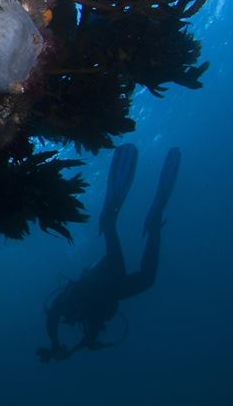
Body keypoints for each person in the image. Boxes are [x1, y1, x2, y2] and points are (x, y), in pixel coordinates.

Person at [37, 144, 181, 363]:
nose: (74, 317)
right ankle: (153, 227)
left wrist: (55, 344)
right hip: (115, 289)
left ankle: (108, 222)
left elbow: (51, 320)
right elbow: (91, 334)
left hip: (104, 278)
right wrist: (79, 346)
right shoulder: (87, 319)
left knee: (113, 242)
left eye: (71, 317)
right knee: (148, 279)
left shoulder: (63, 305)